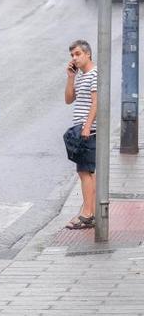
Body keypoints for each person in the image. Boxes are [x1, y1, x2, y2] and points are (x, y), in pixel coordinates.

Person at [64, 40, 97, 229]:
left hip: (88, 131)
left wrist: (87, 127)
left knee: (84, 172)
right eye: (72, 56)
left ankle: (87, 214)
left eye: (77, 54)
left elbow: (96, 102)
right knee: (87, 172)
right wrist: (70, 77)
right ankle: (90, 211)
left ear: (88, 54)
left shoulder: (94, 74)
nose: (74, 58)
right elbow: (69, 99)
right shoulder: (82, 76)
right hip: (81, 129)